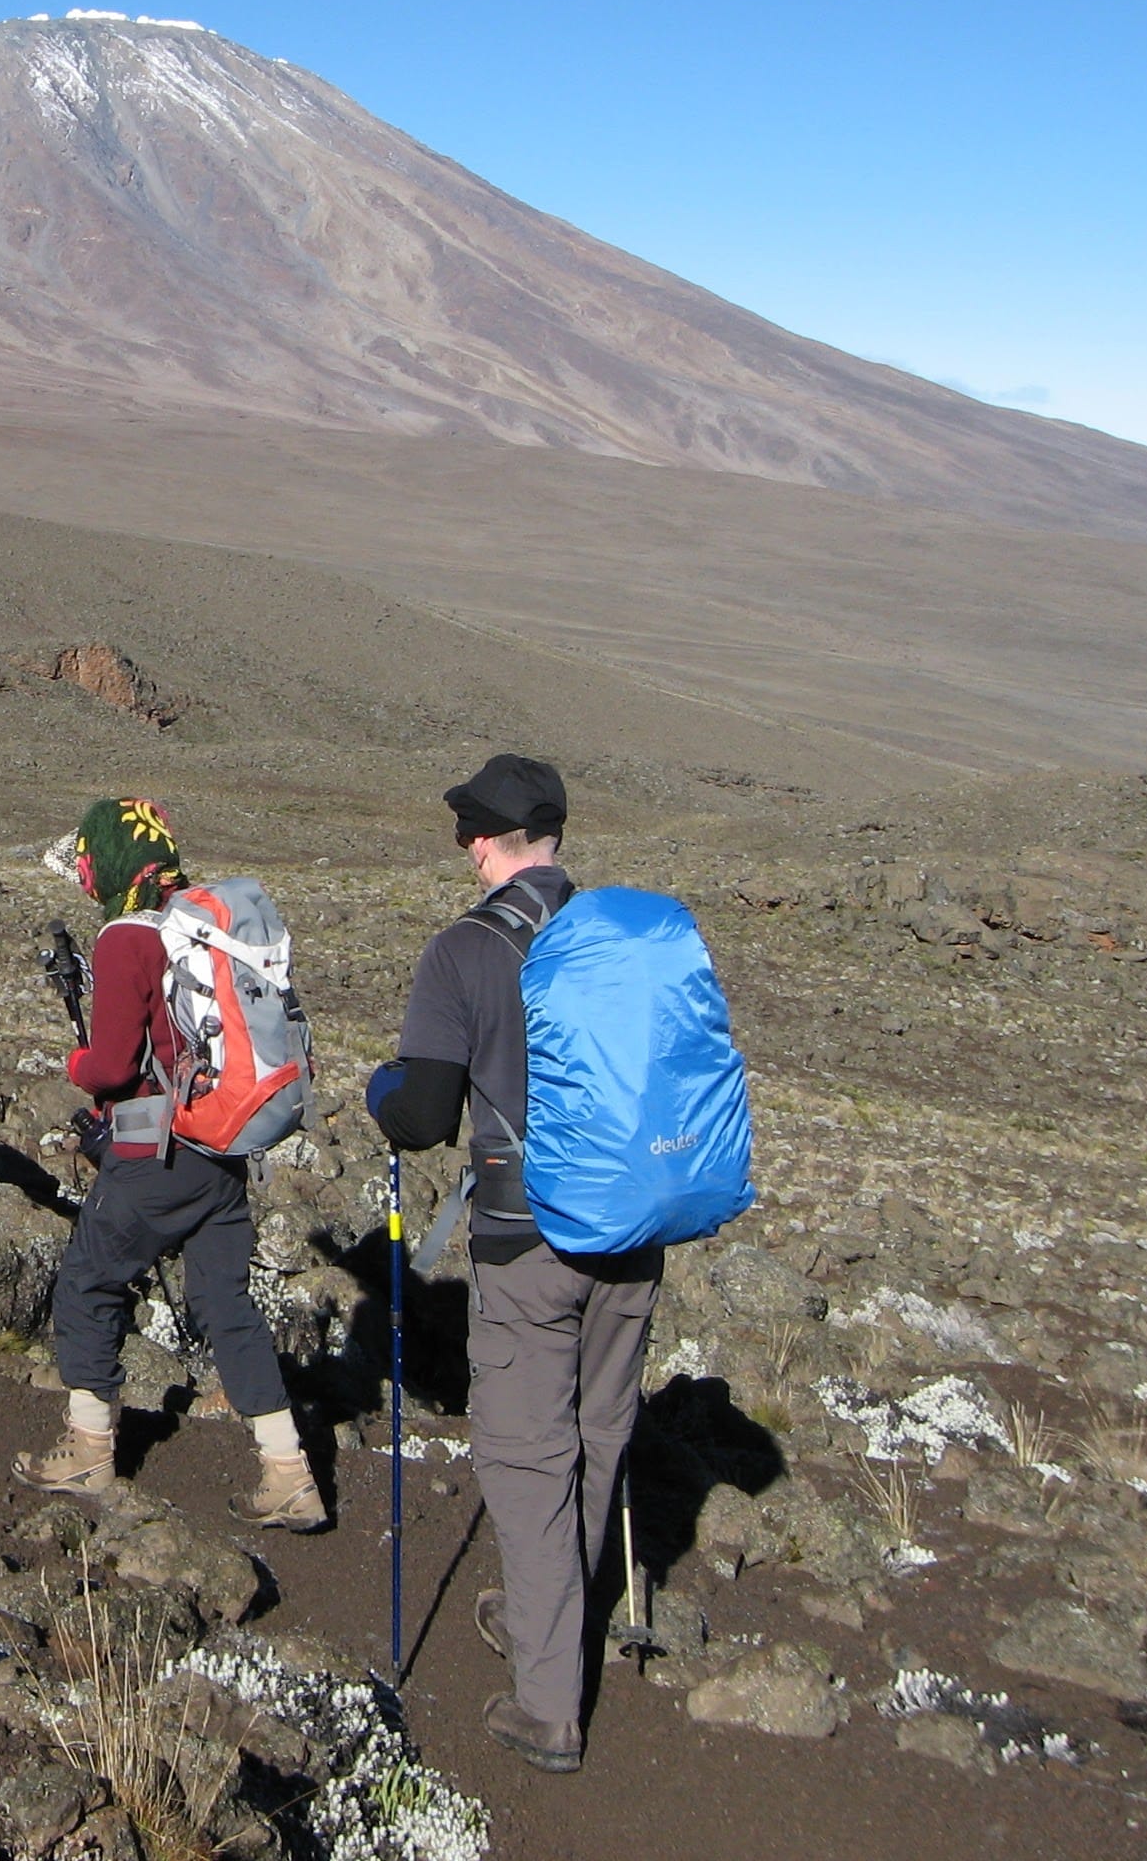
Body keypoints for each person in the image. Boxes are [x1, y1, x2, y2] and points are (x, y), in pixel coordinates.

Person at [370, 753, 657, 1775]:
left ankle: (549, 1708)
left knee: (527, 1458)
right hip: (632, 1232)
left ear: (485, 840)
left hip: (527, 1237)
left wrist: (378, 1091)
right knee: (598, 1429)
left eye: (464, 833)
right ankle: (551, 1608)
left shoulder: (464, 952)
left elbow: (420, 1116)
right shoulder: (620, 936)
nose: (461, 849)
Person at [15, 798, 329, 1531]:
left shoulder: (127, 938)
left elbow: (114, 1065)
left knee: (89, 1281)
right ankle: (289, 1471)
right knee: (227, 1308)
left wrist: (77, 1063)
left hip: (159, 1150)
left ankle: (90, 1446)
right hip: (220, 1147)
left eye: (90, 857)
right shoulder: (198, 927)